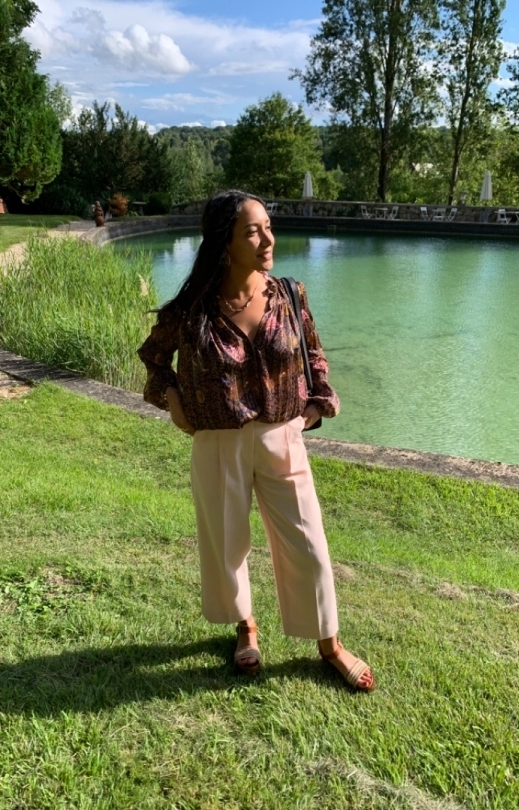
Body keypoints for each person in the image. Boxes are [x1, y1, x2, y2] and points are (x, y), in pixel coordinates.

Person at [138, 190, 375, 692]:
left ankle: (329, 644)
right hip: (217, 441)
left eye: (268, 227)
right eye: (252, 231)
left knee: (309, 544)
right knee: (226, 545)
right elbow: (154, 359)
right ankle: (245, 626)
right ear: (223, 241)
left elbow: (314, 356)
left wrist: (318, 403)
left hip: (282, 437)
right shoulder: (191, 309)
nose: (268, 239)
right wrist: (171, 397)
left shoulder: (289, 294)